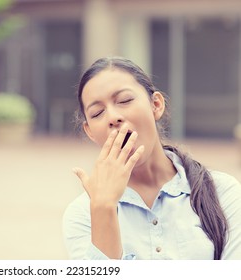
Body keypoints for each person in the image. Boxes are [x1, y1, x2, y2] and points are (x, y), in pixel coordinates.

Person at [63, 56, 241, 260]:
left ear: (156, 105)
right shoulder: (82, 214)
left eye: (125, 100)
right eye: (97, 113)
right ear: (90, 132)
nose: (112, 117)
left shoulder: (223, 193)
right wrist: (103, 208)